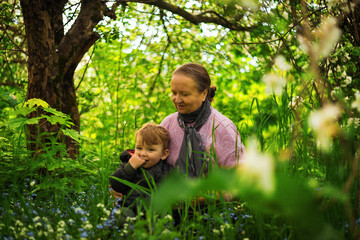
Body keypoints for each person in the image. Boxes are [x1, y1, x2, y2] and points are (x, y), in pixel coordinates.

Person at [161, 63, 246, 177]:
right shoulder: (167, 124)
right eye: (174, 93)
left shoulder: (222, 127)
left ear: (204, 94)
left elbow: (240, 177)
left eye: (185, 94)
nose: (177, 99)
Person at [109, 123, 173, 215]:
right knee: (120, 215)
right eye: (139, 148)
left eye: (150, 150)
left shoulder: (166, 171)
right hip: (129, 209)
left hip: (154, 214)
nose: (143, 153)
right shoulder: (128, 164)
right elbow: (115, 184)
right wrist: (130, 167)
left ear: (164, 154)